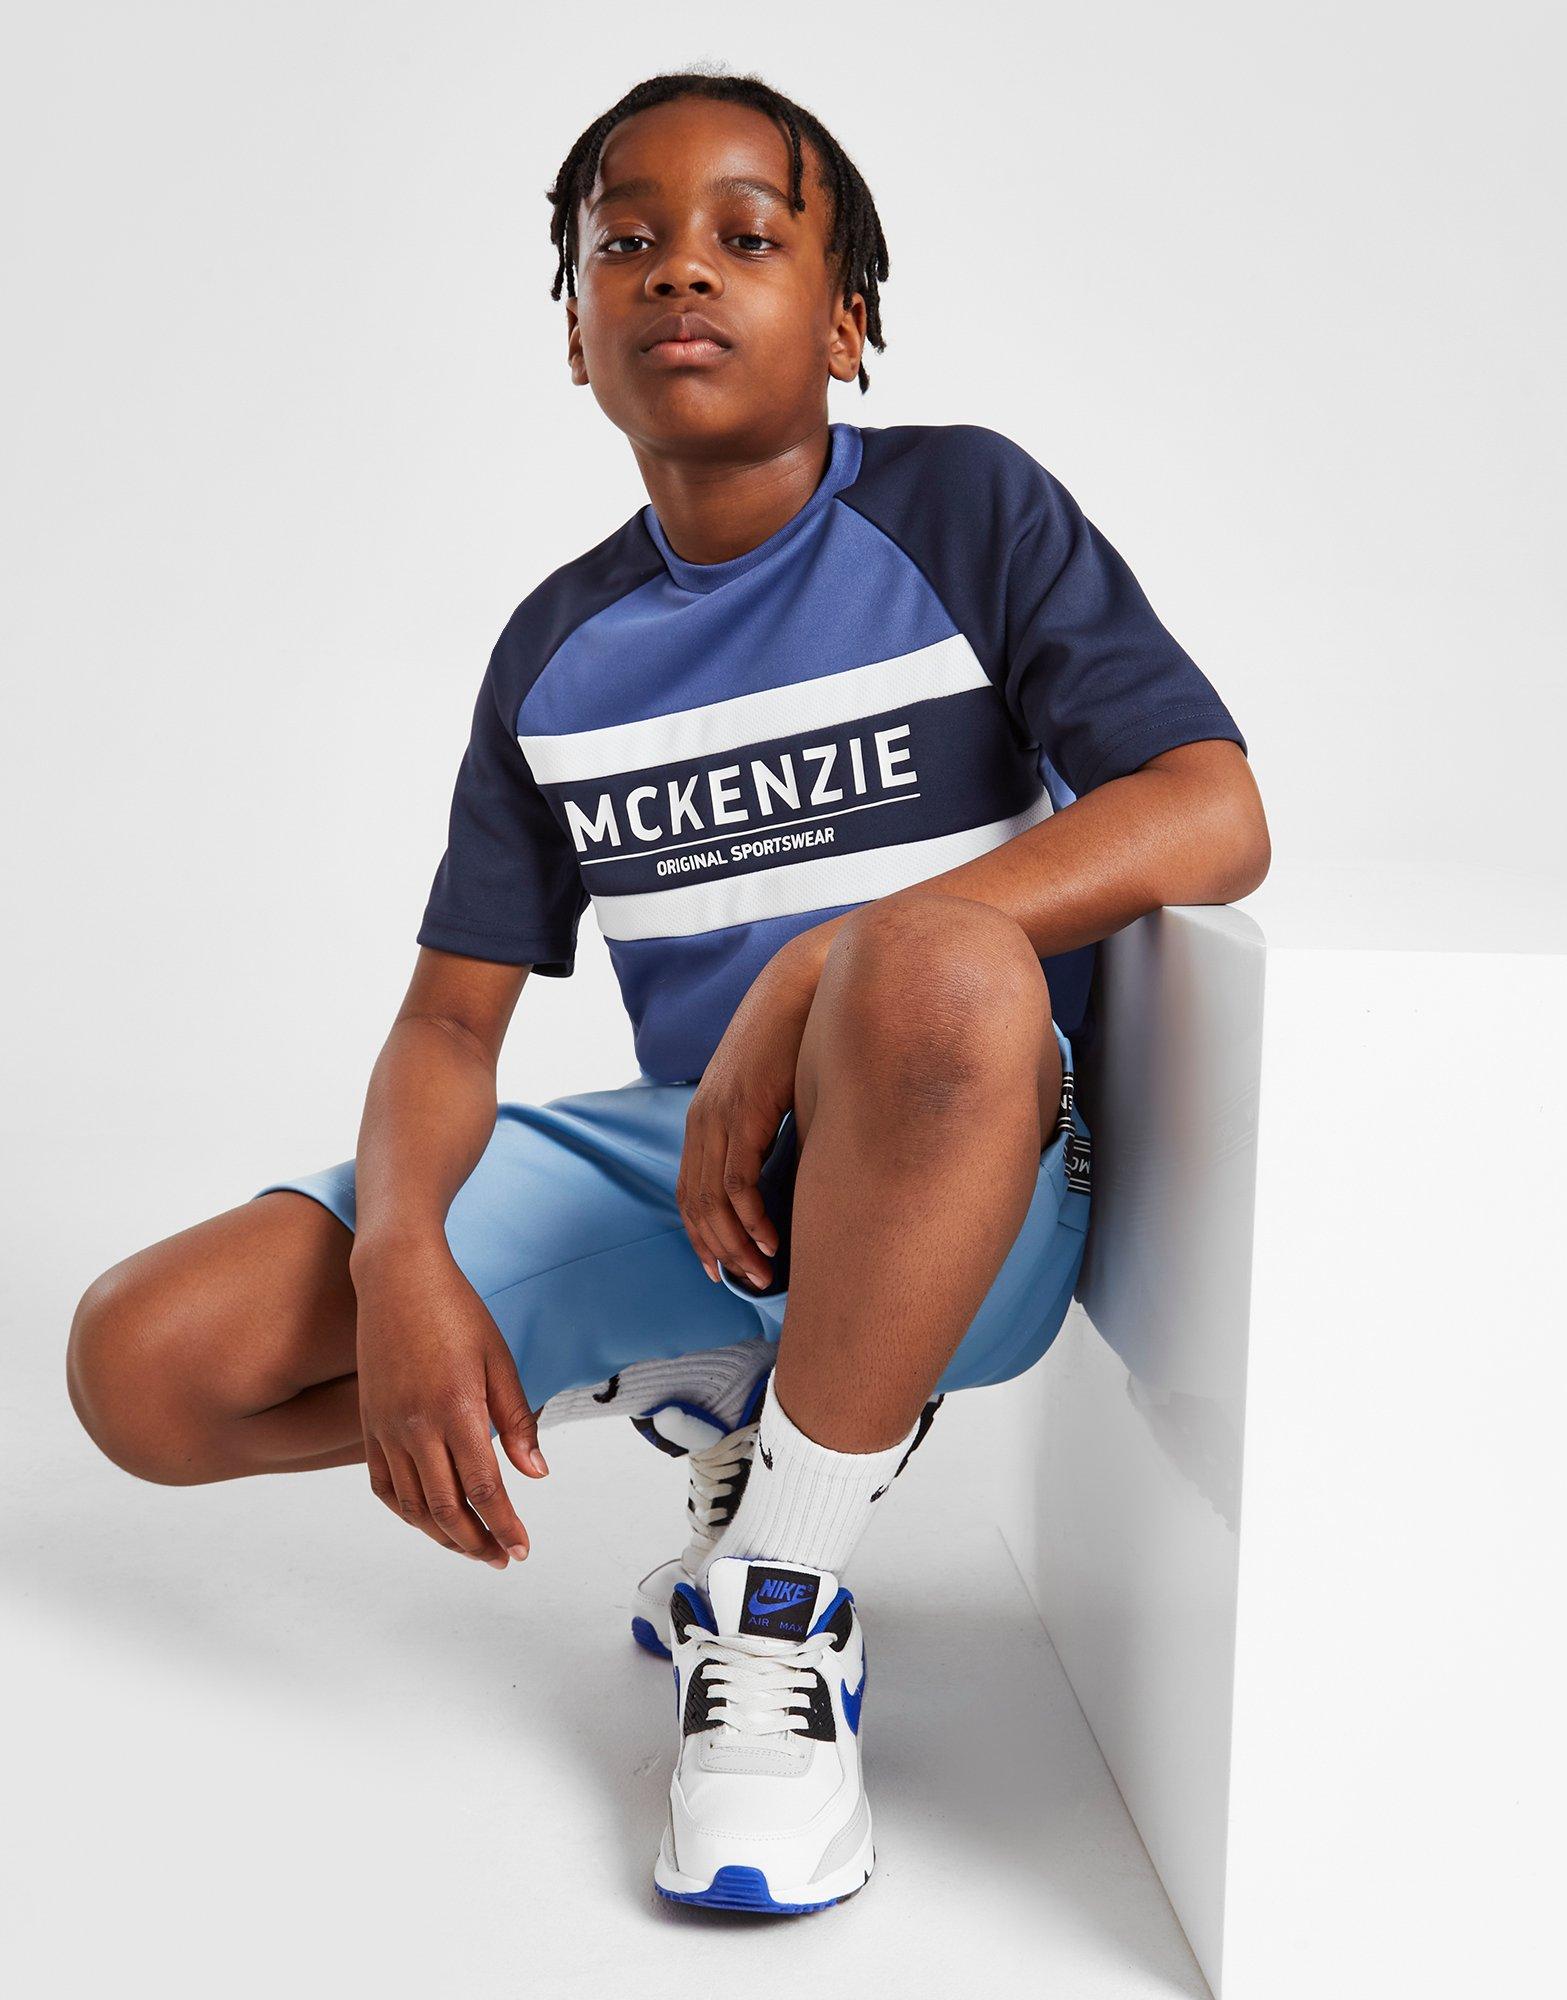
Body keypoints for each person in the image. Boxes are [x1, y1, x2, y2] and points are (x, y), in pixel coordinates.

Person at [66, 71, 1270, 1913]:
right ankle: (712, 1373)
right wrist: (402, 1266)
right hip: (712, 1182)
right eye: (624, 242)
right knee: (145, 1367)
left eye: (746, 237)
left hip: (973, 1169)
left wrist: (827, 955)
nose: (679, 269)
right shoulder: (555, 652)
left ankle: (779, 1589)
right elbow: (450, 1021)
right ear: (576, 335)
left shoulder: (966, 508)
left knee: (934, 960)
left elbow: (1211, 805)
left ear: (846, 320)